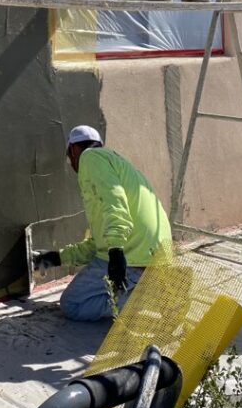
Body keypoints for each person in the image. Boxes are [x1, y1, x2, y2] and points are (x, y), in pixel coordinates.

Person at [33, 125, 172, 321]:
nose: (72, 165)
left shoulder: (90, 158)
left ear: (73, 150)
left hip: (131, 255)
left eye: (69, 158)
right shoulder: (116, 164)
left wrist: (116, 251)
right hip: (154, 253)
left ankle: (145, 299)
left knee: (72, 304)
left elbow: (114, 201)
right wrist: (56, 258)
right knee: (97, 293)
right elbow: (99, 243)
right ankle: (146, 287)